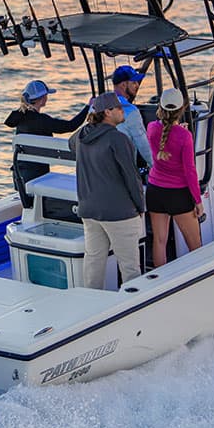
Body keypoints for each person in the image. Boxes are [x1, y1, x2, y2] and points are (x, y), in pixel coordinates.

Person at [69, 91, 145, 290]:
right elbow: (132, 177)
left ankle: (92, 304)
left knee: (94, 262)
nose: (123, 112)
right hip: (119, 213)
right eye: (119, 108)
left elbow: (71, 143)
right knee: (130, 267)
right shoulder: (118, 139)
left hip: (89, 210)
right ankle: (133, 309)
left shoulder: (82, 136)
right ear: (108, 112)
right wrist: (140, 206)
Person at [4, 79, 89, 205]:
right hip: (38, 174)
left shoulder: (19, 117)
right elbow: (70, 126)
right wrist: (88, 107)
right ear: (43, 99)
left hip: (20, 176)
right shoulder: (42, 121)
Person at [145, 88, 204, 267]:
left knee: (159, 241)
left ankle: (160, 284)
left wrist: (178, 130)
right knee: (195, 245)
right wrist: (198, 201)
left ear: (160, 107)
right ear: (181, 109)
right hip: (178, 194)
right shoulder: (185, 136)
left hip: (155, 191)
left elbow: (165, 138)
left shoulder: (151, 128)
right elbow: (190, 171)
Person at [110, 64, 154, 172]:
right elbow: (144, 147)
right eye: (133, 82)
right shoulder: (131, 112)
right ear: (124, 84)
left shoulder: (96, 106)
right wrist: (160, 169)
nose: (137, 85)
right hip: (123, 172)